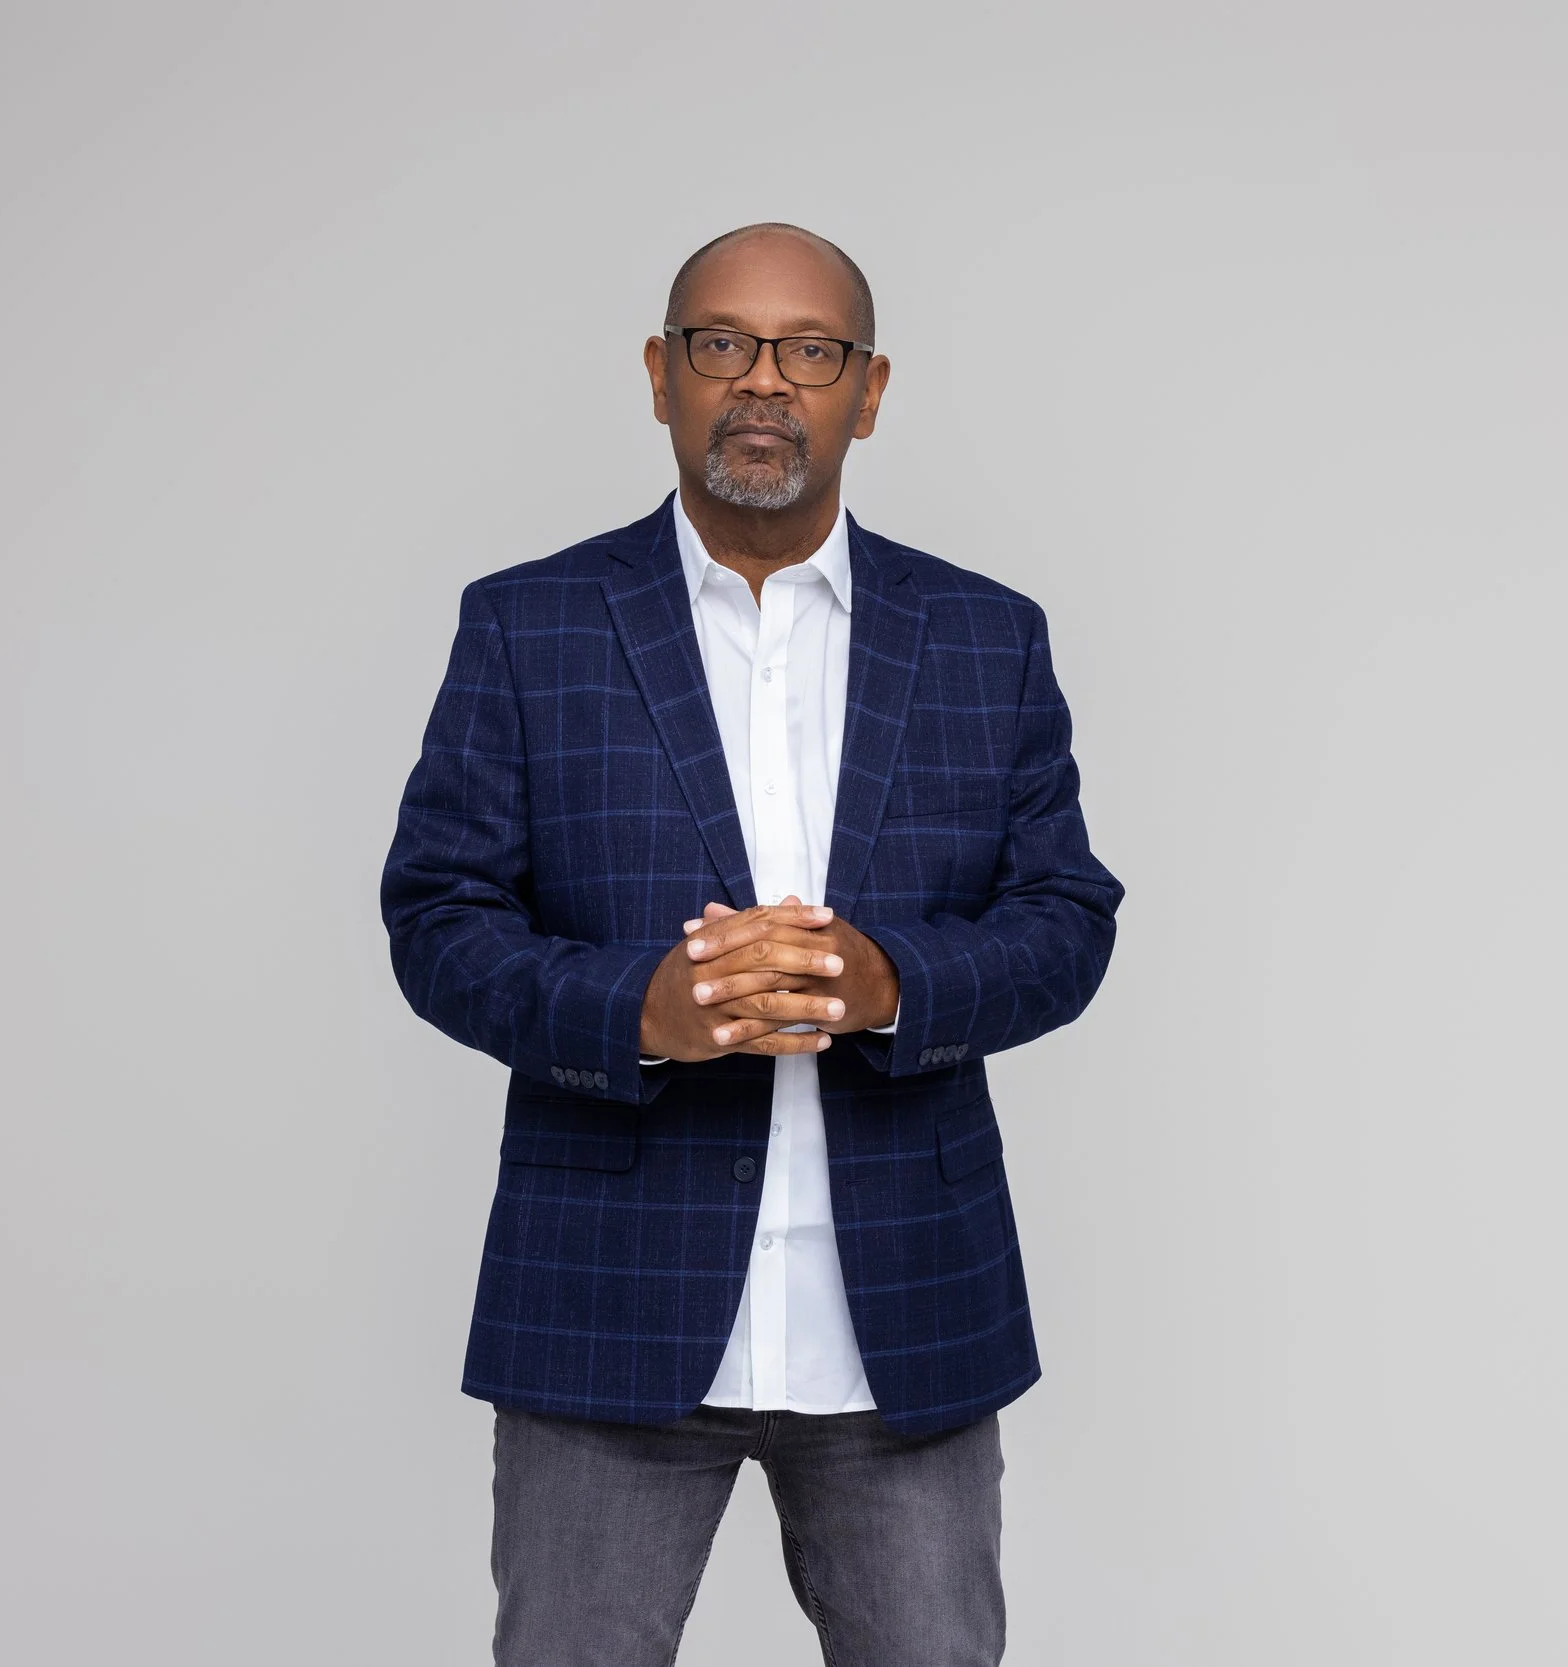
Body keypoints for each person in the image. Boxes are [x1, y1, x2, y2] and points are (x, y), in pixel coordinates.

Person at [380, 222, 1122, 1666]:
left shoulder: (987, 638)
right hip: (605, 1304)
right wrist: (634, 1011)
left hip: (901, 1313)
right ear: (661, 376)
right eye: (722, 344)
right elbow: (437, 916)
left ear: (870, 387)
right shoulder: (530, 626)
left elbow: (1065, 919)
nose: (763, 382)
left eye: (809, 351)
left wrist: (896, 982)